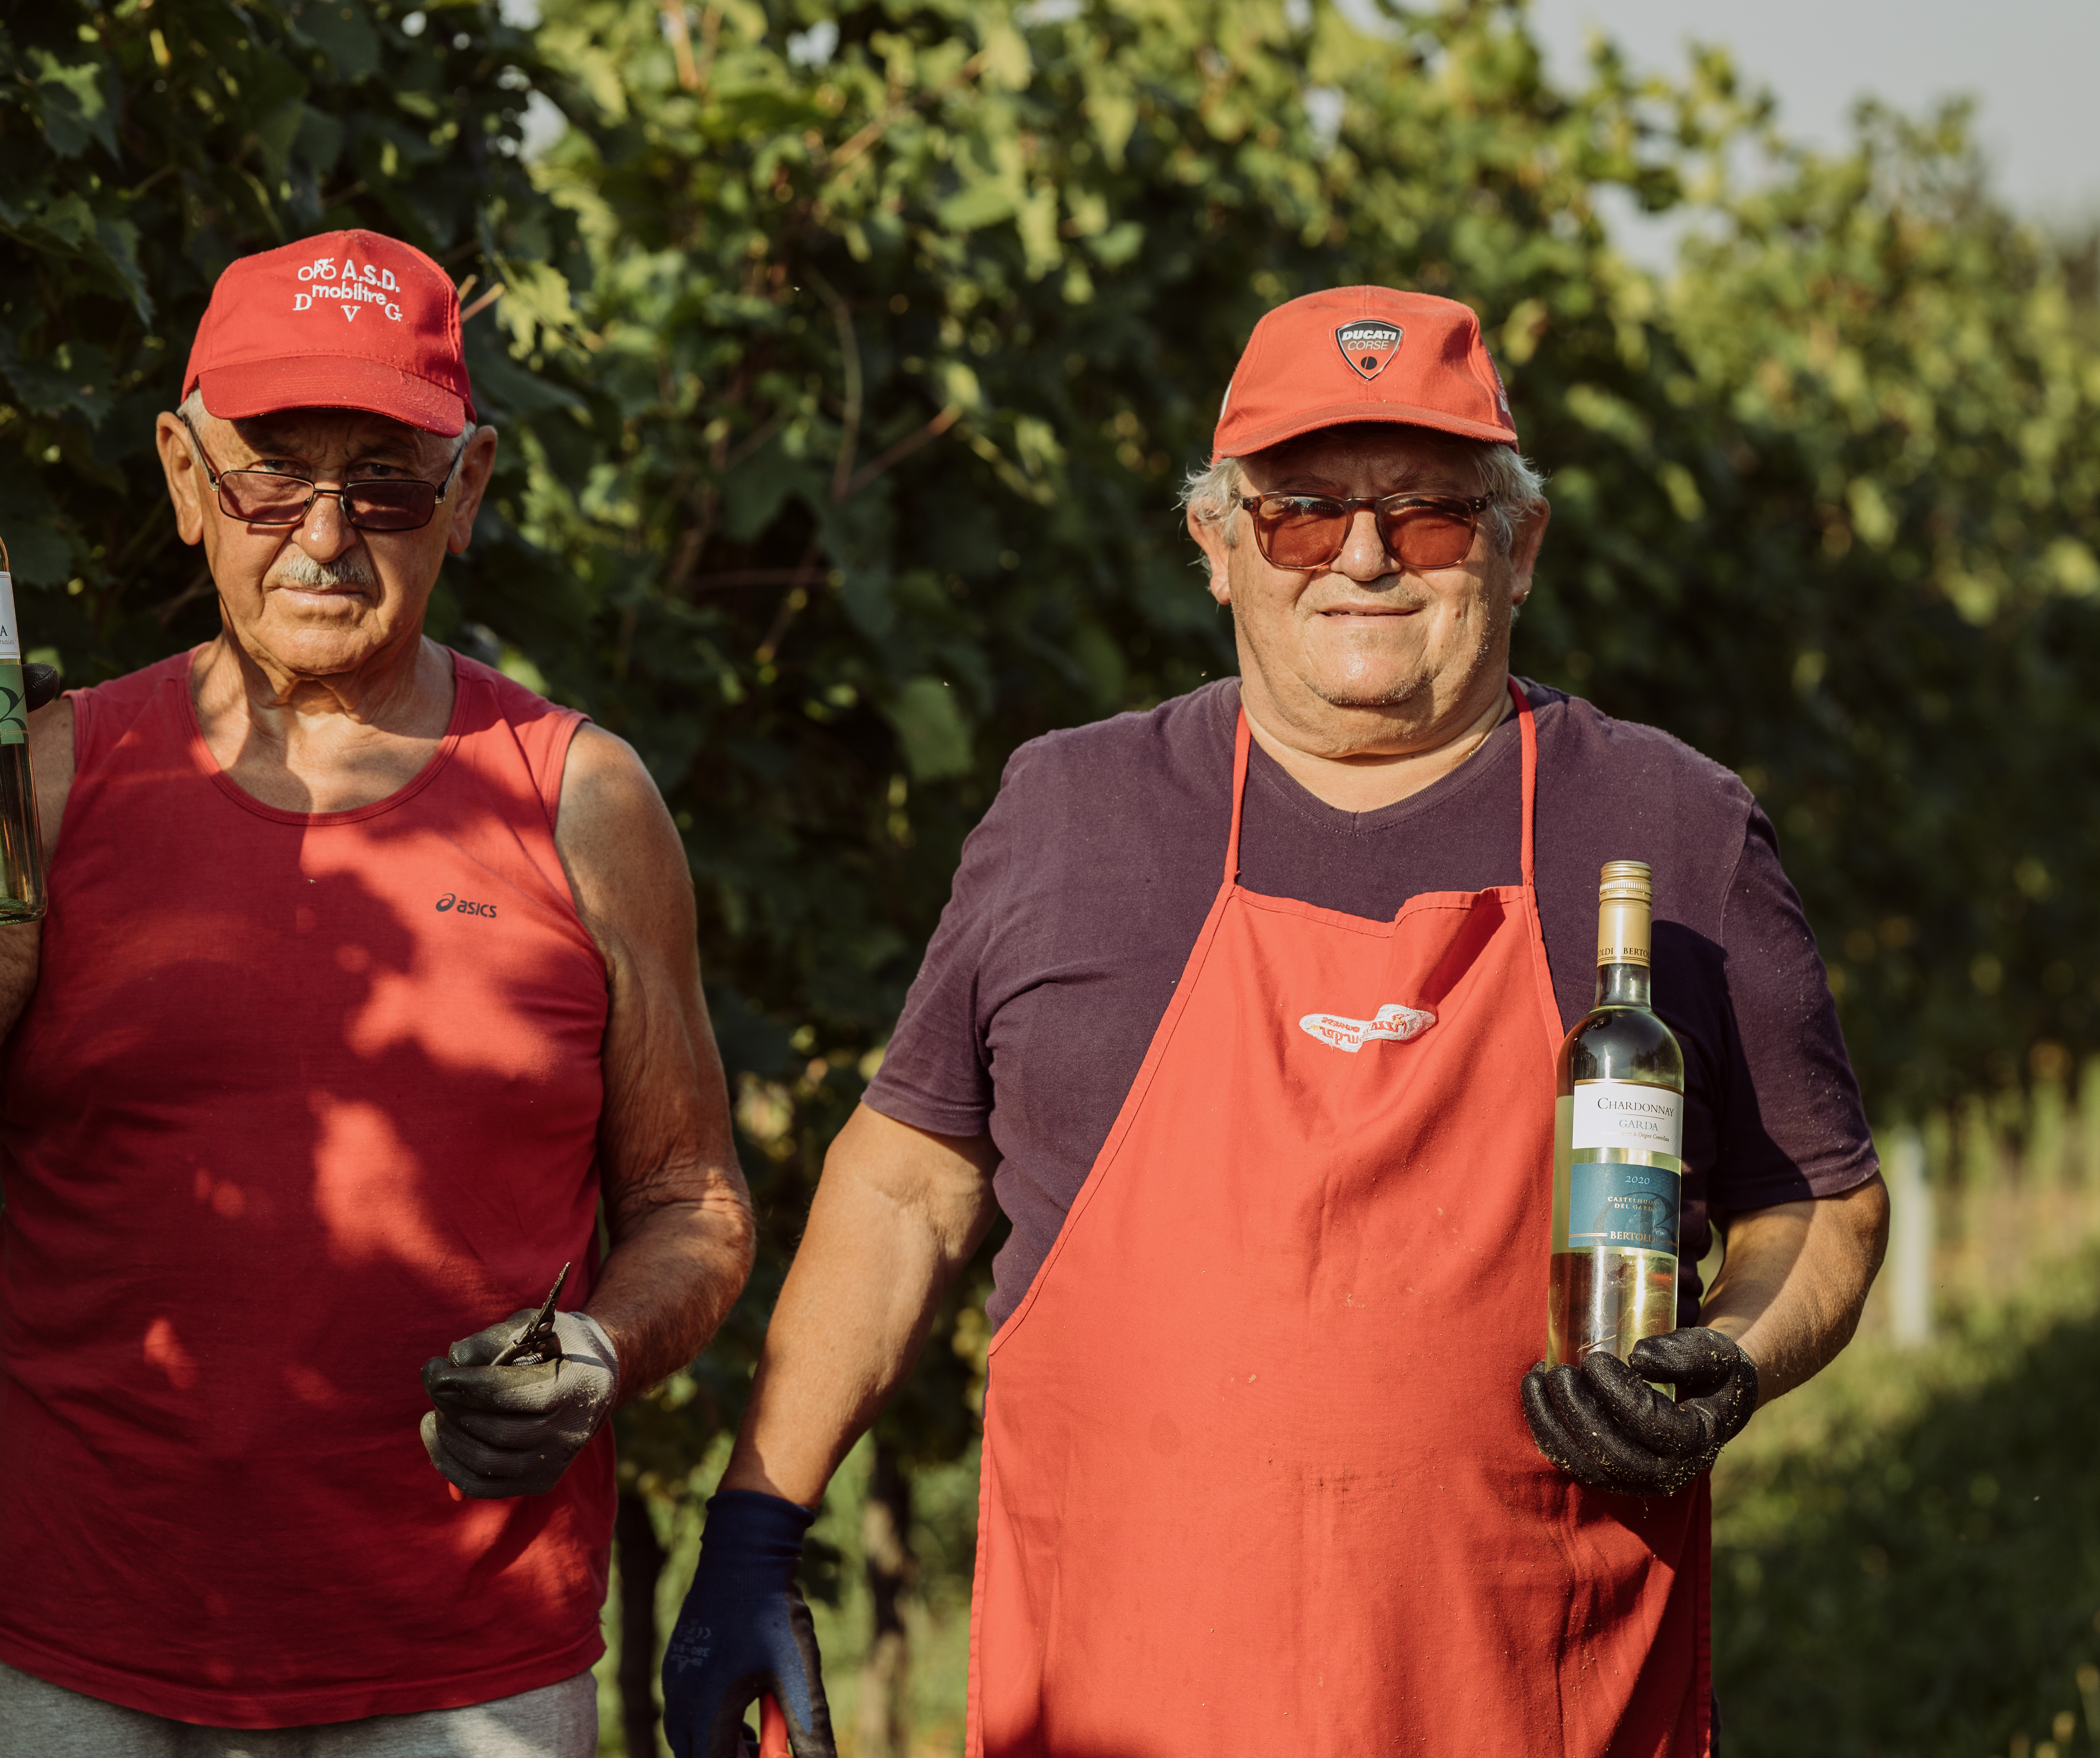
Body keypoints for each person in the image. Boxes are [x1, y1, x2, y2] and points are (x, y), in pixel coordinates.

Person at [658, 287, 1888, 1757]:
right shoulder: (1070, 813)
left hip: (1531, 1698)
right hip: (1114, 1701)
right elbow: (906, 1184)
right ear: (1217, 543)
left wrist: (1733, 1356)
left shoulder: (1665, 826)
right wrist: (755, 1526)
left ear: (1522, 543)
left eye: (1429, 513)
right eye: (1303, 511)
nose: (1363, 558)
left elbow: (1817, 1204)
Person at [0, 229, 754, 1754]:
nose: (325, 533)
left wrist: (600, 1351)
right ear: (181, 475)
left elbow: (692, 1194)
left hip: (464, 1671)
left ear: (468, 492)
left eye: (387, 482)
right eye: (269, 475)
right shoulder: (57, 777)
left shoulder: (581, 801)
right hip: (98, 1654)